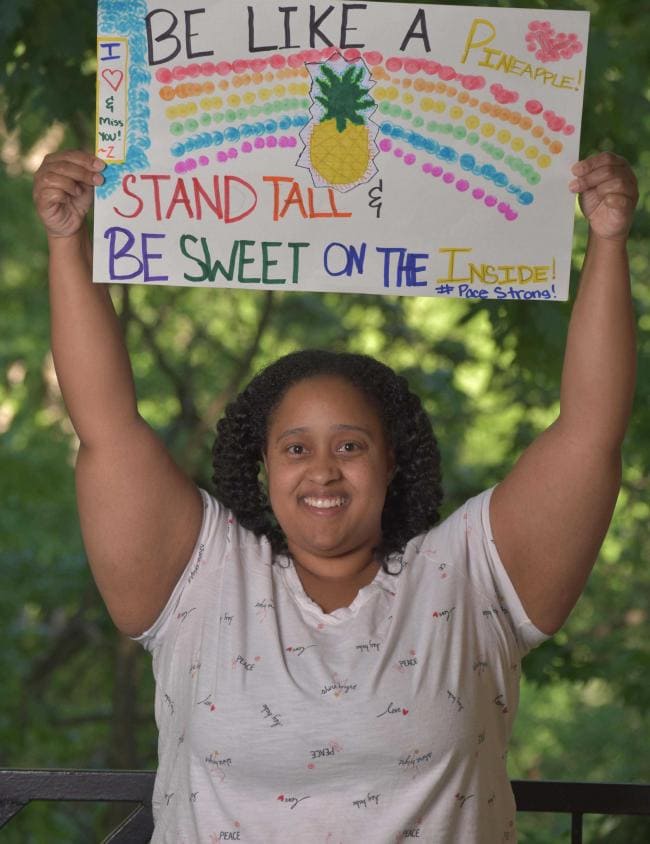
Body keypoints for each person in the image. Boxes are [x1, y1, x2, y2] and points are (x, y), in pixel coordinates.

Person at [33, 148, 637, 843]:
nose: (322, 471)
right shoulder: (198, 580)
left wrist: (610, 241)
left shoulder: (470, 580)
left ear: (393, 464)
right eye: (296, 449)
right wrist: (66, 244)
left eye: (350, 446)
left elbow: (591, 433)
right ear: (262, 465)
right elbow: (104, 425)